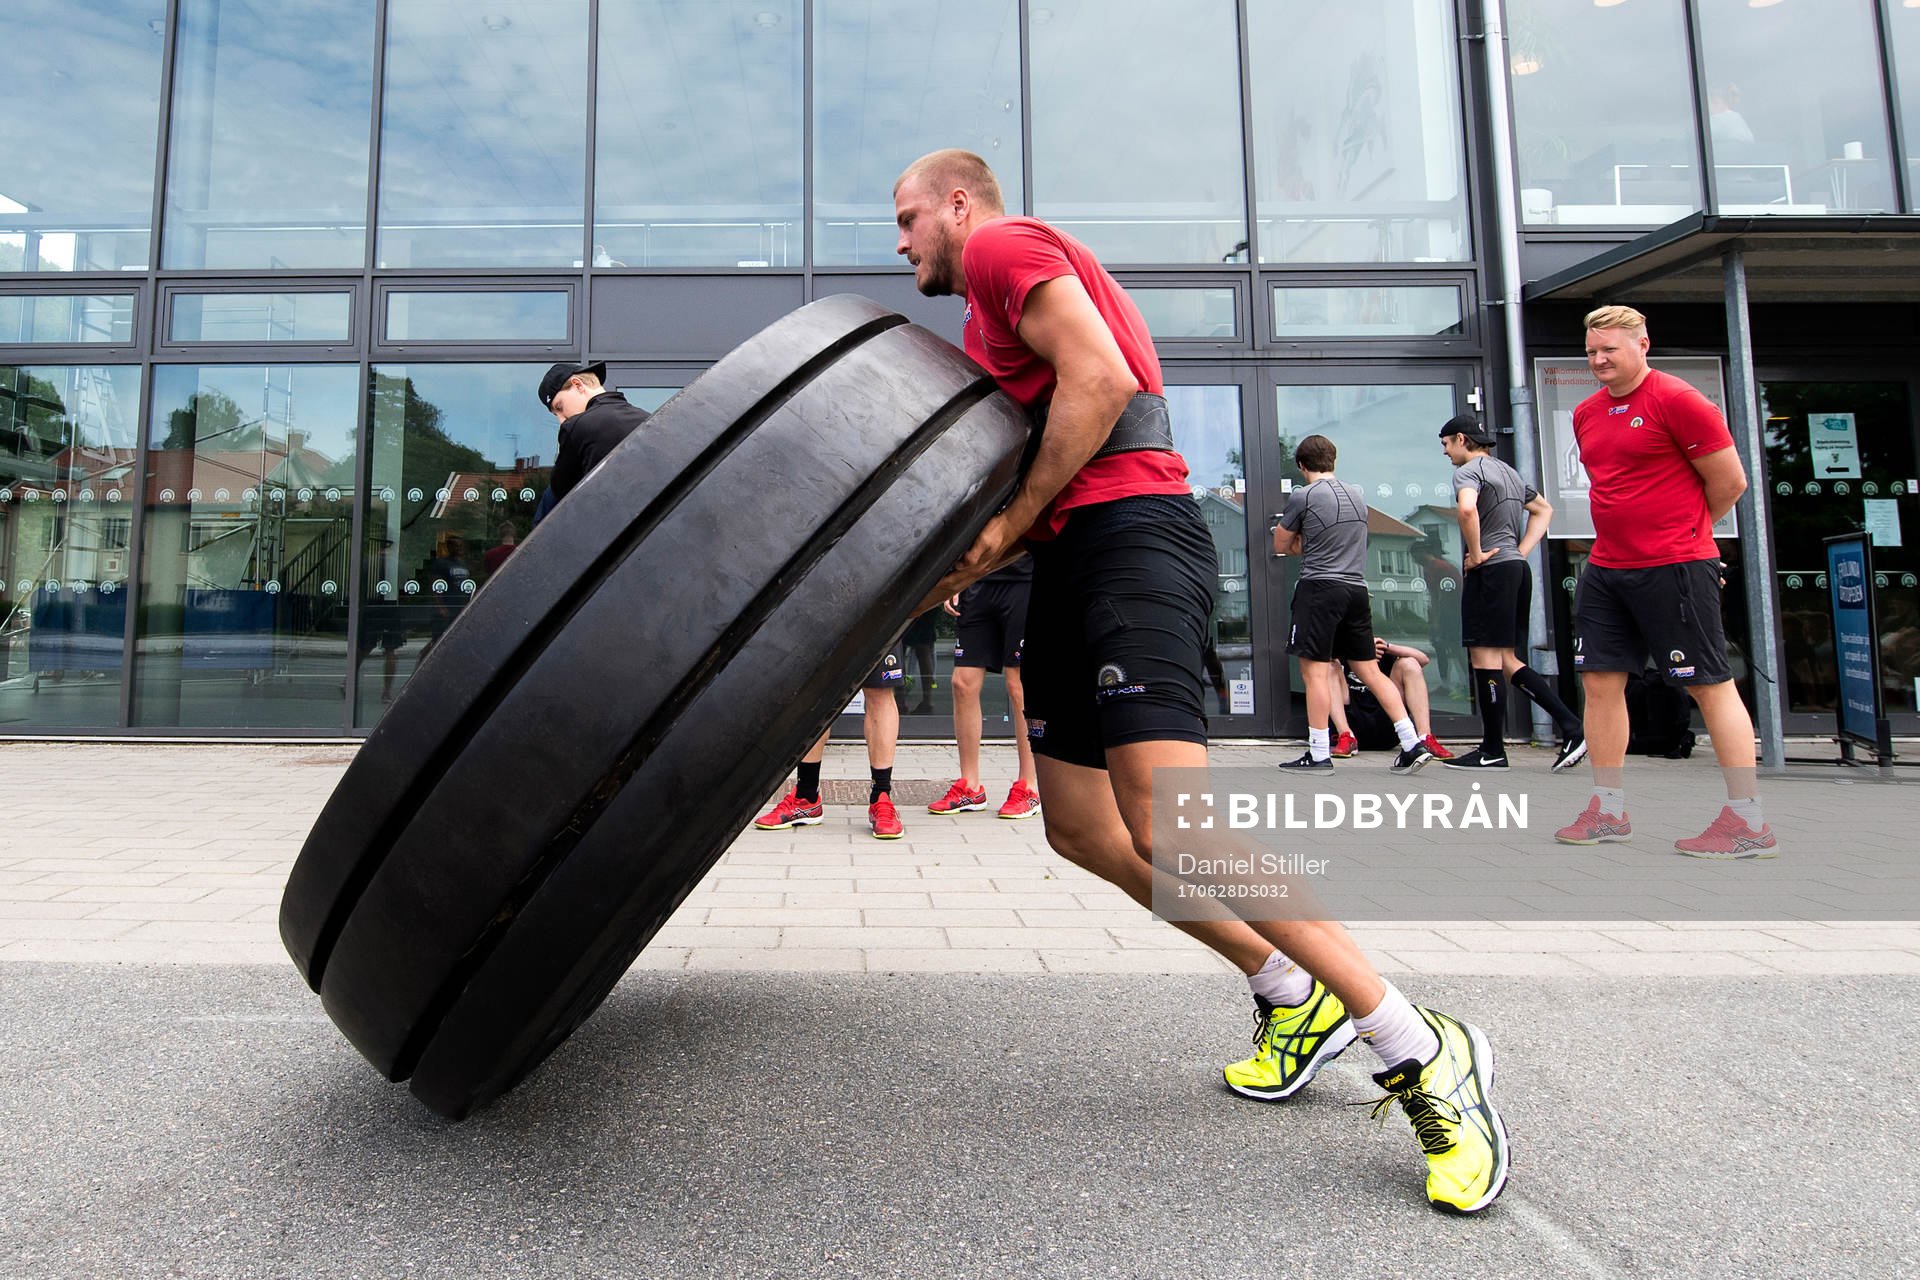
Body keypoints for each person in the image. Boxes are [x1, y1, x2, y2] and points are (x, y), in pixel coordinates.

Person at [893, 148, 1507, 1214]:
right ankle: (1284, 985)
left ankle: (1417, 1042)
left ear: (958, 203)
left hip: (1133, 535)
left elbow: (1103, 380)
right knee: (1082, 826)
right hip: (1075, 557)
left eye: (906, 218)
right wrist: (995, 548)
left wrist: (1007, 528)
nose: (901, 241)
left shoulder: (1001, 245)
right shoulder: (990, 311)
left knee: (1177, 823)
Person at [1555, 305, 1774, 857]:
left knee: (1708, 683)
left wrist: (1689, 539)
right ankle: (1608, 809)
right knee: (1601, 683)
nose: (1599, 359)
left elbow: (1730, 482)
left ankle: (1747, 821)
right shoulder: (1585, 412)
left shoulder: (1678, 400)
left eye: (1610, 349)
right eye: (1591, 351)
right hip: (1607, 568)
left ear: (1643, 345)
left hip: (1674, 565)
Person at [1273, 434, 1437, 775]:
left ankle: (1318, 754)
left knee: (1315, 672)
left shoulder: (1303, 495)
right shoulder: (1357, 495)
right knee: (1370, 671)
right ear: (1333, 460)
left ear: (1301, 465)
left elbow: (1282, 543)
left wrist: (1298, 543)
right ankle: (1411, 742)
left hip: (1320, 588)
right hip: (1356, 590)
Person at [1438, 414, 1587, 772]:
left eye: (1445, 445)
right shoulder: (1508, 472)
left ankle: (1494, 749)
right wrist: (1521, 550)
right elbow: (1543, 509)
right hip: (1515, 569)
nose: (1445, 453)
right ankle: (1567, 727)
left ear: (1461, 439)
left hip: (1491, 570)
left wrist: (1475, 553)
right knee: (1505, 660)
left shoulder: (1468, 471)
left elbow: (1465, 508)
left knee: (1485, 659)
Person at [753, 647, 908, 839]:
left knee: (879, 691)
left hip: (878, 617)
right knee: (814, 692)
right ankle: (806, 796)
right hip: (819, 618)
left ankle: (881, 797)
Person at [927, 559, 1041, 820]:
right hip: (978, 581)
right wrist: (954, 576)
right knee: (962, 682)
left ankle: (1028, 786)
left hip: (1024, 582)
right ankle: (970, 786)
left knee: (1018, 685)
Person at [533, 360, 650, 522]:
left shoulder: (577, 427)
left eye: (559, 407)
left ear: (578, 384)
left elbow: (560, 496)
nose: (561, 420)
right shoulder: (647, 420)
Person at [1327, 639, 1452, 760]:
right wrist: (1357, 650)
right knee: (1329, 667)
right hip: (1350, 723)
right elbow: (1316, 658)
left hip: (1388, 727)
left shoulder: (1382, 653)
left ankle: (1425, 738)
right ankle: (1346, 735)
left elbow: (1423, 659)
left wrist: (1387, 646)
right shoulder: (1342, 654)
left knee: (1410, 664)